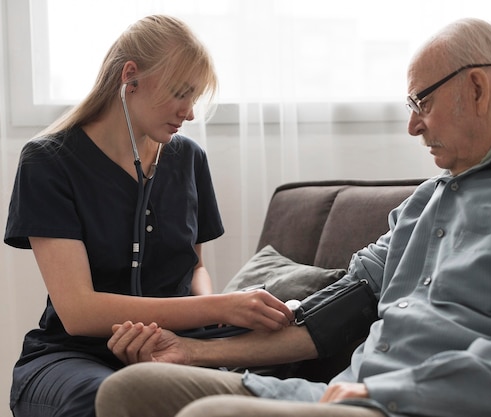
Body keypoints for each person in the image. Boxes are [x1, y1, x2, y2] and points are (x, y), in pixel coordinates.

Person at [95, 17, 491, 417]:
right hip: (346, 395)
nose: (413, 127)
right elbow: (334, 313)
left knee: (210, 415)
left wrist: (385, 392)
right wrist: (189, 351)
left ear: (478, 88)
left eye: (421, 102)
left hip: (423, 405)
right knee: (129, 392)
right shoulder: (425, 203)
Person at [3, 14, 294, 417]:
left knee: (257, 383)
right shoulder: (48, 161)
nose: (189, 113)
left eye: (194, 98)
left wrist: (203, 337)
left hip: (175, 344)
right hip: (74, 356)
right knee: (106, 397)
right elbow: (79, 312)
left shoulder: (189, 159)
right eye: (181, 93)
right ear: (131, 77)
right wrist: (221, 307)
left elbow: (193, 269)